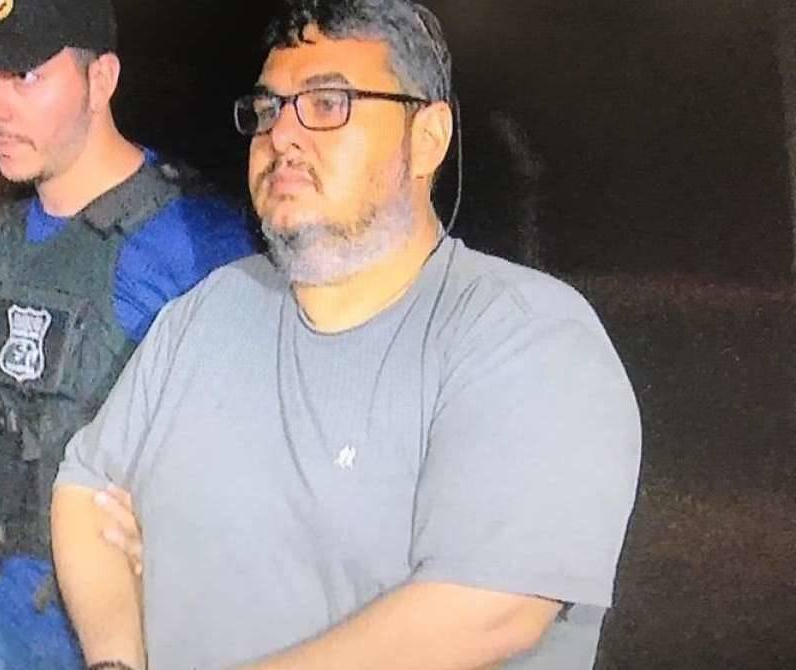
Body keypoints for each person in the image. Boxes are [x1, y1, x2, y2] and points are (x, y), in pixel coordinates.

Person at [51, 1, 642, 669]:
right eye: (268, 109)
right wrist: (115, 659)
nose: (282, 135)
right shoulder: (210, 311)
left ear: (427, 138)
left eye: (328, 103)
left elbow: (486, 610)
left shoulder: (524, 336)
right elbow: (85, 489)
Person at [0, 0, 257, 667]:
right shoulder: (12, 238)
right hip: (2, 630)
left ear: (101, 80)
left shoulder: (198, 244)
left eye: (25, 76)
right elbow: (12, 427)